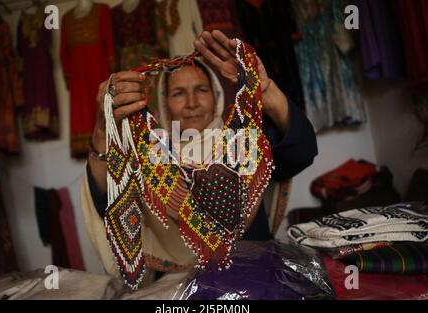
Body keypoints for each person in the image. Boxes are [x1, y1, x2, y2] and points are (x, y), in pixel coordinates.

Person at [81, 30, 317, 281]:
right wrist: (101, 131)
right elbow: (107, 198)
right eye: (179, 93)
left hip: (255, 278)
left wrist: (264, 90)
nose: (192, 102)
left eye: (201, 89)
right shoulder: (149, 152)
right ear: (163, 100)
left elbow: (302, 150)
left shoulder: (240, 139)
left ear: (216, 94)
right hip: (179, 291)